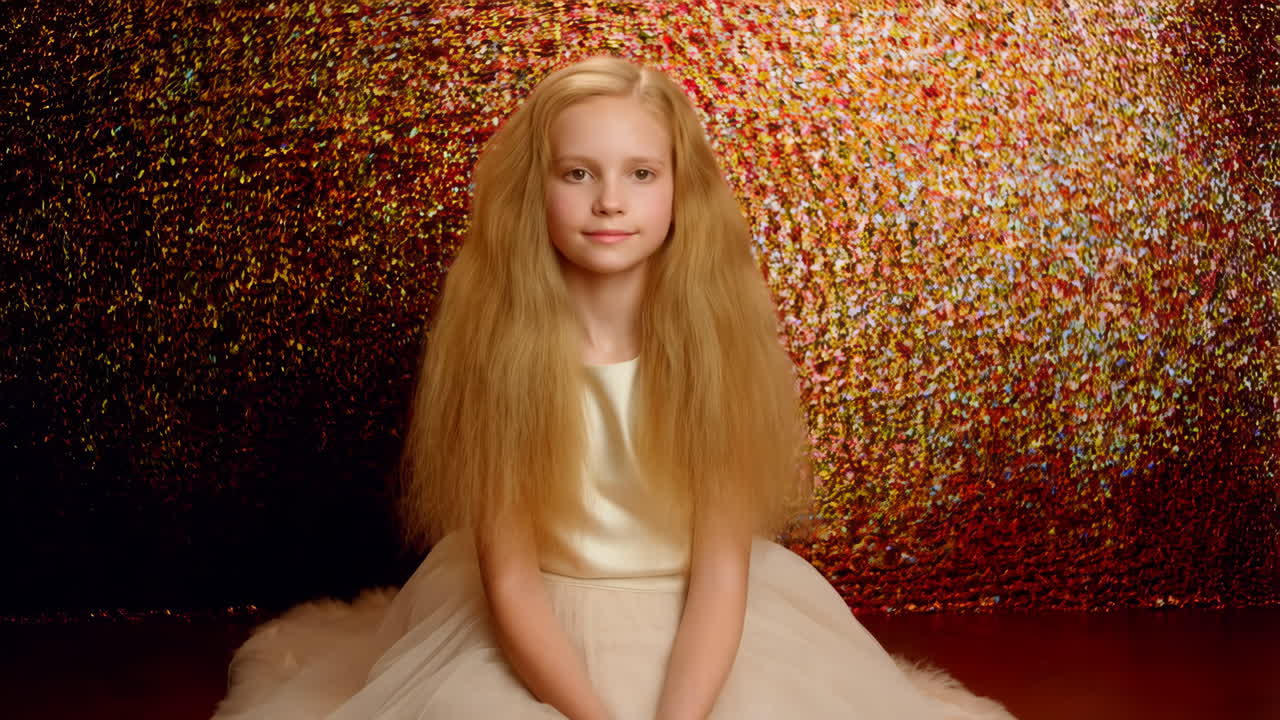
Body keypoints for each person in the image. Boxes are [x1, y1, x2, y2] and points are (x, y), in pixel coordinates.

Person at [212, 56, 1016, 720]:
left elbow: (720, 574)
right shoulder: (504, 355)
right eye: (578, 173)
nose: (609, 201)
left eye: (640, 173)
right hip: (542, 615)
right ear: (538, 190)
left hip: (703, 614)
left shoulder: (716, 349)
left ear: (678, 193)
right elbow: (513, 581)